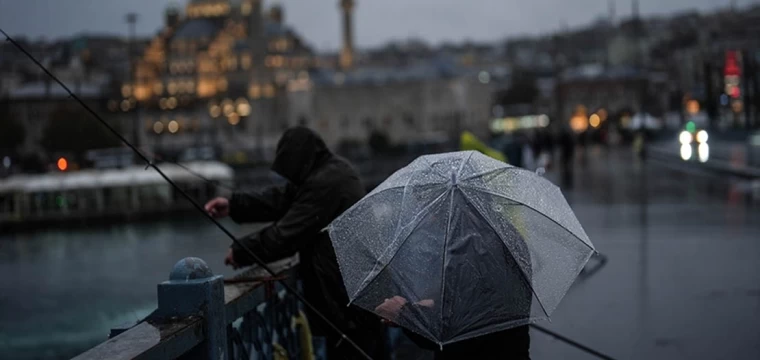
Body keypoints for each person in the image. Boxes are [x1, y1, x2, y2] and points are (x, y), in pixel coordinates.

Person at [204, 126, 387, 359]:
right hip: (355, 298)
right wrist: (234, 205)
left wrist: (240, 251)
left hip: (347, 306)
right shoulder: (329, 172)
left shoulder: (327, 181)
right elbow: (283, 198)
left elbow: (287, 235)